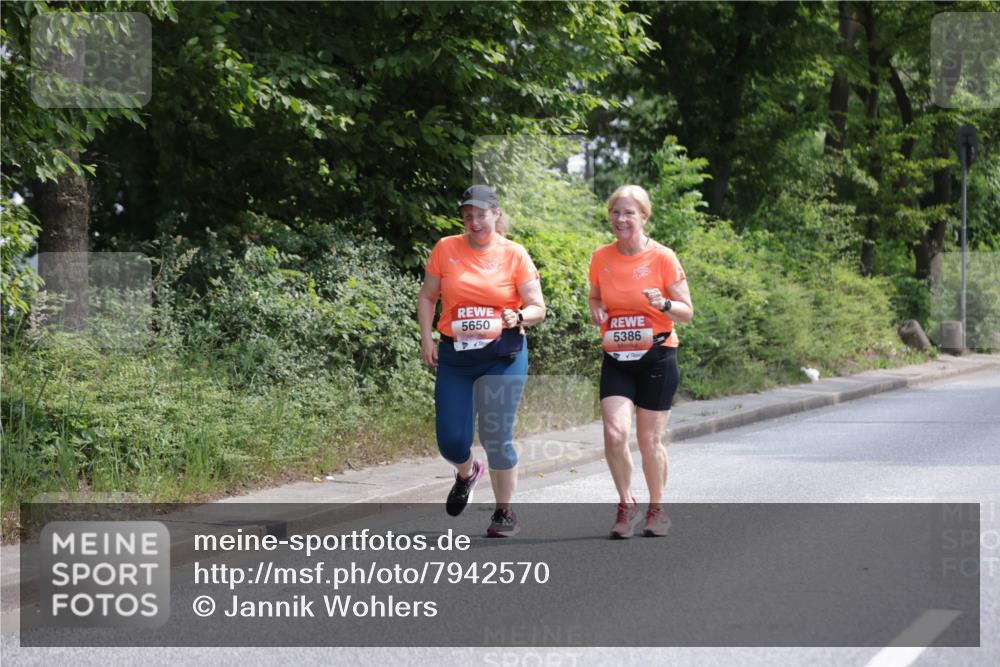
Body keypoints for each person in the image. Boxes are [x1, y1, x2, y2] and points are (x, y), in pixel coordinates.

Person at [417, 185, 545, 537]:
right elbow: (428, 297)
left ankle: (504, 512)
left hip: (502, 356)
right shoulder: (446, 248)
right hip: (456, 355)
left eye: (481, 213)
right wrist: (427, 337)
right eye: (468, 215)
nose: (474, 221)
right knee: (450, 440)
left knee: (496, 434)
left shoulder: (514, 254)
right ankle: (467, 472)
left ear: (496, 214)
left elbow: (538, 307)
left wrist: (519, 316)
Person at [588, 185, 694, 538]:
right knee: (615, 433)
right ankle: (625, 503)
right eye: (616, 212)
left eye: (629, 213)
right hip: (617, 355)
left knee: (650, 441)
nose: (621, 219)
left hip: (658, 356)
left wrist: (663, 303)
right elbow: (594, 297)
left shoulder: (663, 257)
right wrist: (596, 310)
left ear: (644, 217)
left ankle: (657, 507)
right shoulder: (601, 257)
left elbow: (686, 312)